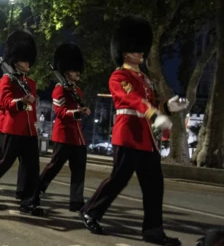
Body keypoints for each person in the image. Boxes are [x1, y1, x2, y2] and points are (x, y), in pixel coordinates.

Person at [80, 16, 189, 246]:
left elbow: (153, 105)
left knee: (154, 186)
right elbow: (130, 99)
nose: (141, 53)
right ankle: (91, 211)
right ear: (124, 52)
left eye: (142, 48)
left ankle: (153, 230)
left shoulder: (146, 79)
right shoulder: (119, 76)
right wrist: (152, 113)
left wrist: (169, 107)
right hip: (127, 135)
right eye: (136, 49)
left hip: (146, 139)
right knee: (118, 180)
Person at [0, 30, 44, 216]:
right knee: (2, 162)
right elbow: (4, 104)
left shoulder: (31, 83)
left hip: (28, 130)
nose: (27, 64)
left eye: (28, 61)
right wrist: (21, 102)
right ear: (15, 61)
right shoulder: (6, 81)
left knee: (32, 166)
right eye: (23, 60)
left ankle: (29, 201)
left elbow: (32, 109)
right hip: (11, 128)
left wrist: (34, 123)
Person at [34, 43, 90, 211]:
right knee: (54, 167)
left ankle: (76, 201)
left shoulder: (77, 91)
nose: (77, 73)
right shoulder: (59, 90)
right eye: (74, 71)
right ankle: (35, 191)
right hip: (64, 135)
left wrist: (83, 110)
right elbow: (60, 111)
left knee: (79, 170)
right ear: (66, 72)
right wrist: (77, 113)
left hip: (77, 137)